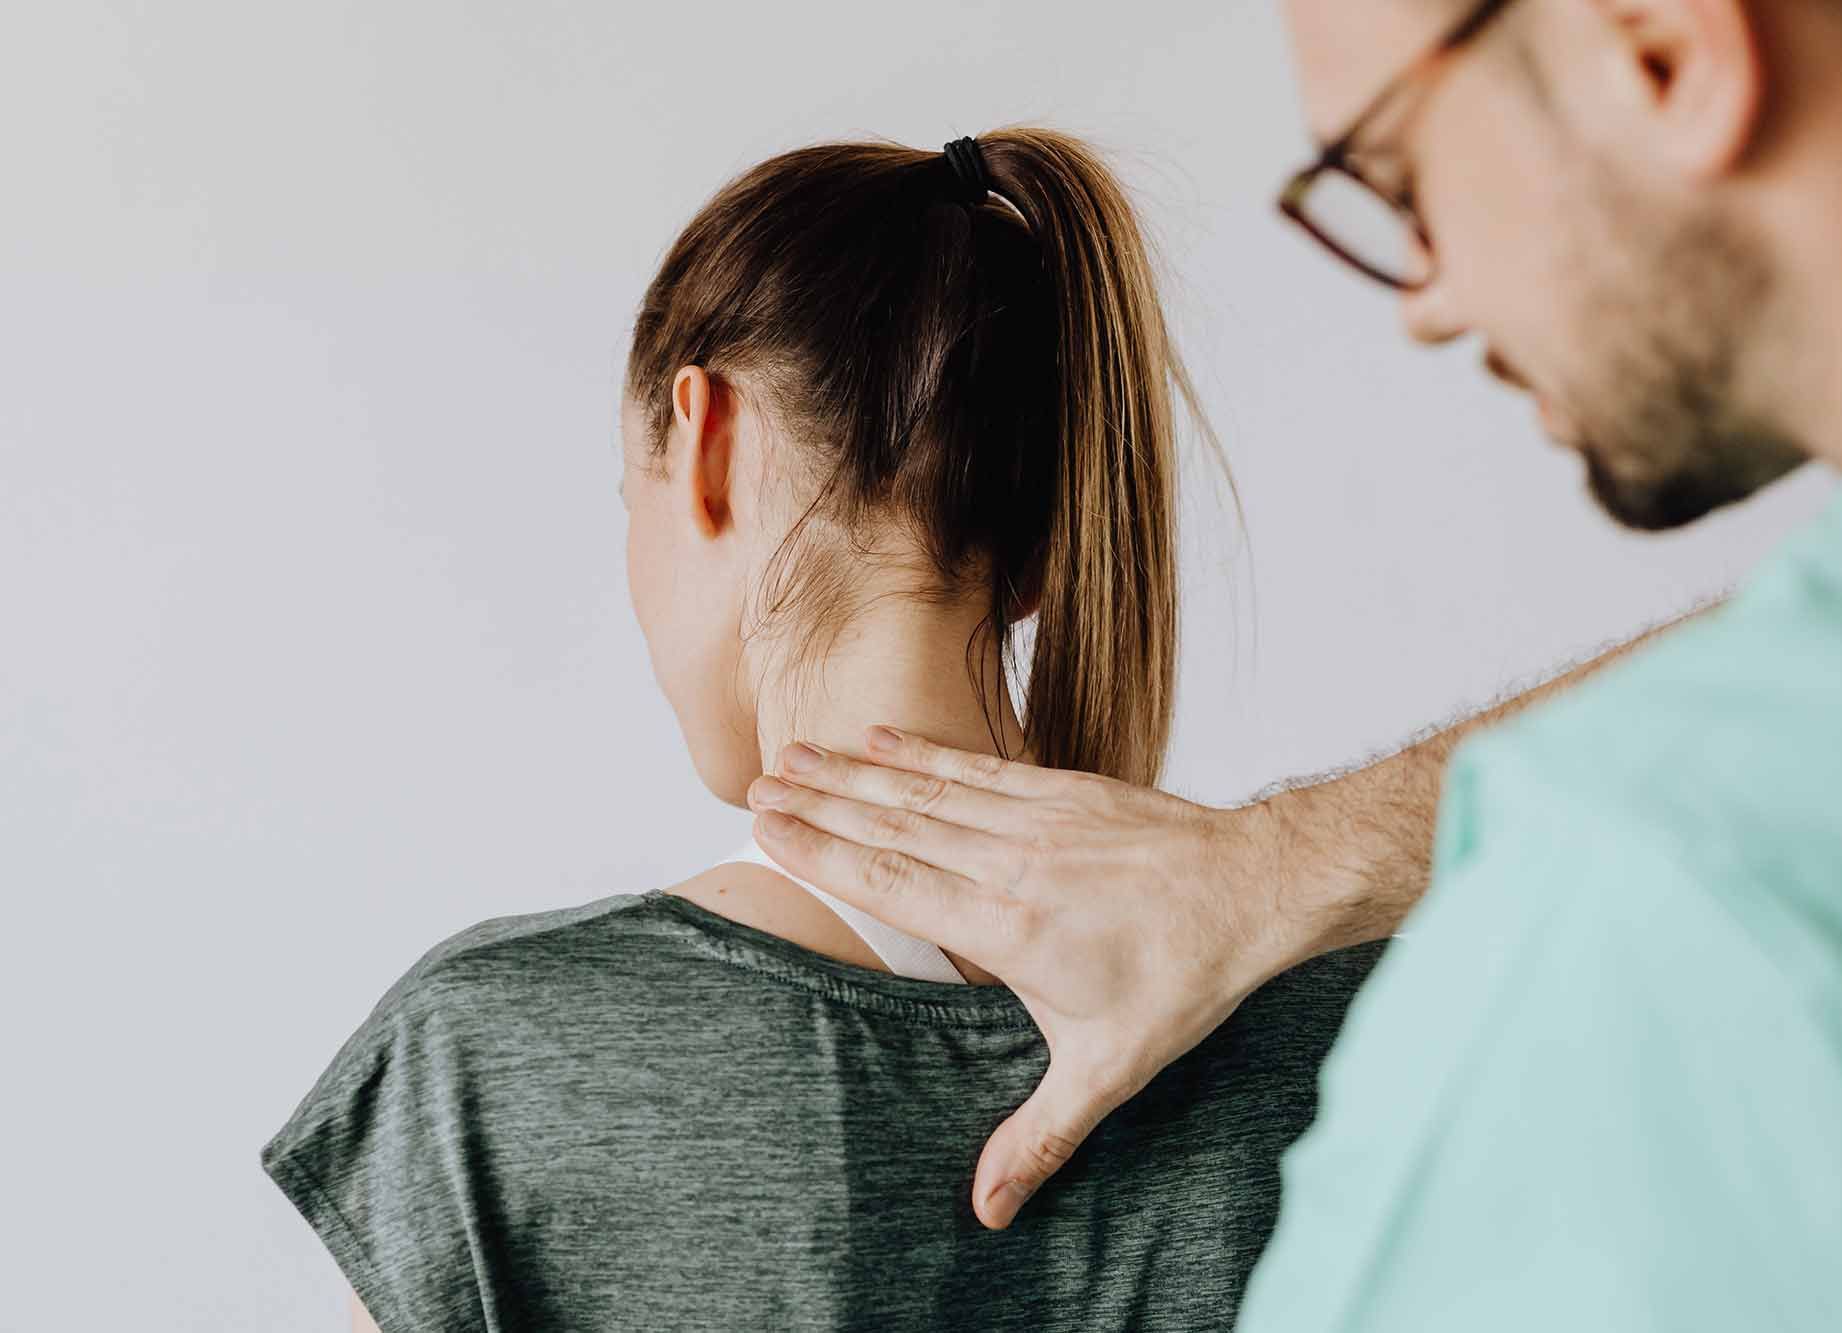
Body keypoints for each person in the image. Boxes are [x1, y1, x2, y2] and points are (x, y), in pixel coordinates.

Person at [748, 1, 1842, 1326]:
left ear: (1661, 50)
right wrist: (1288, 859)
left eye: (1396, 177)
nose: (1428, 300)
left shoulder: (1650, 906)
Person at [259, 128, 1390, 1332]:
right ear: (1032, 549)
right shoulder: (1362, 1016)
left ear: (708, 442)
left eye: (623, 494)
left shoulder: (492, 1064)